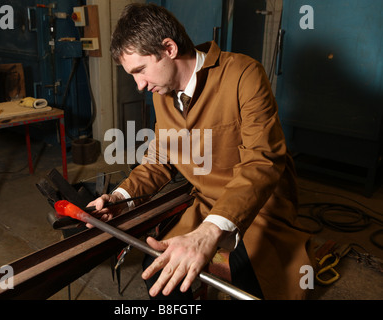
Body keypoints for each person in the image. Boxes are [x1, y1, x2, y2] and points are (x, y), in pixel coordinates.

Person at [87, 3, 314, 300]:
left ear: (168, 48)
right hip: (205, 203)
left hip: (260, 206)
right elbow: (160, 159)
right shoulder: (163, 93)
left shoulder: (243, 75)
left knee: (256, 279)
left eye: (140, 70)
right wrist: (120, 198)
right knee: (158, 269)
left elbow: (263, 161)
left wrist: (209, 233)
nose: (139, 85)